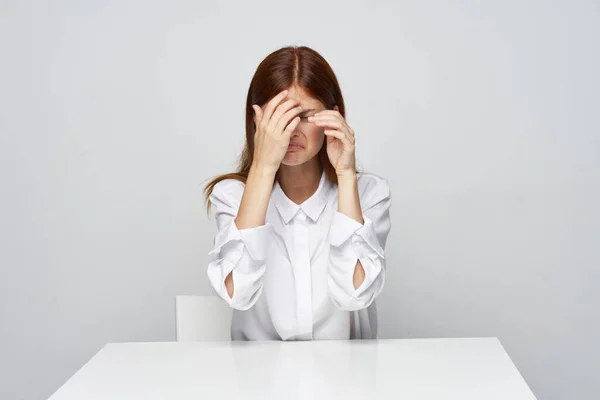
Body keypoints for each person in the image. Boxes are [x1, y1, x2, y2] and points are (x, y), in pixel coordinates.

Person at [203, 45, 392, 341]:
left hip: (346, 378)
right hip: (257, 380)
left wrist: (344, 174)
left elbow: (354, 295)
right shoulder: (232, 196)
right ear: (257, 121)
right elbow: (236, 293)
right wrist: (264, 167)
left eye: (305, 116)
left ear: (333, 118)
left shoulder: (369, 193)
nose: (292, 131)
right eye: (279, 117)